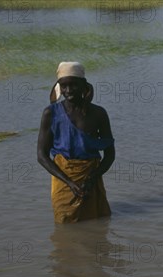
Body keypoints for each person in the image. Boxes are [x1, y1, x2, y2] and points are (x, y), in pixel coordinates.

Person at [37, 62, 115, 223]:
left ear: (84, 85)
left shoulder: (98, 114)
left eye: (73, 85)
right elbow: (41, 155)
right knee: (64, 220)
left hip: (90, 176)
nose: (68, 91)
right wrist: (69, 182)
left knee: (95, 222)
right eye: (64, 86)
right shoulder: (50, 113)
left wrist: (92, 178)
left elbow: (110, 154)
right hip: (62, 177)